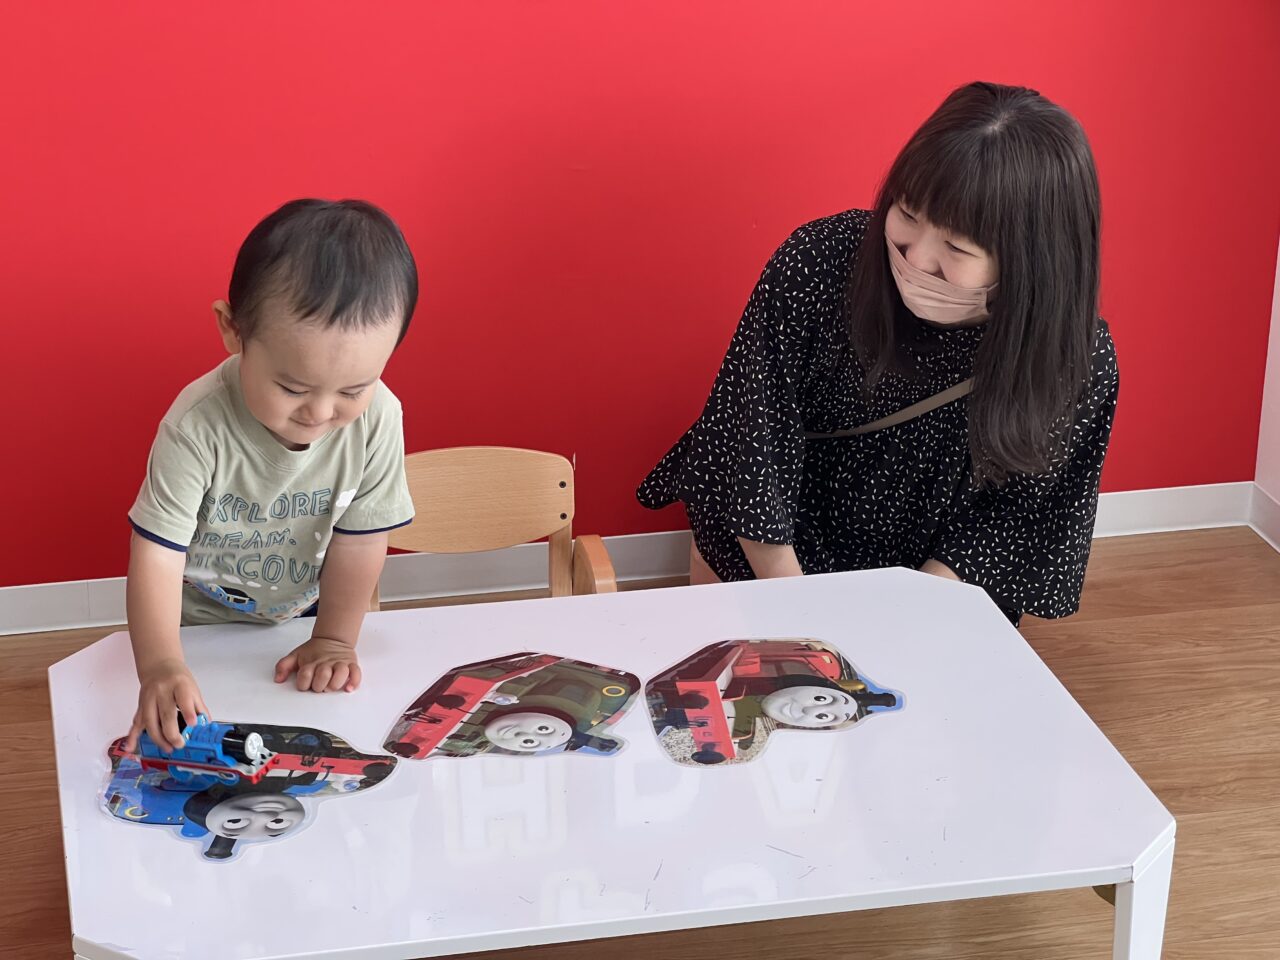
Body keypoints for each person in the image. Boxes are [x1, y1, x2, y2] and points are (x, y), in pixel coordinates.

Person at [638, 82, 1117, 625]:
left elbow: (1016, 517)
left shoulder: (1075, 359)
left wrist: (902, 614)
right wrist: (799, 610)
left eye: (957, 247)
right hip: (781, 548)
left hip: (940, 582)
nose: (917, 258)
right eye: (907, 213)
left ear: (1033, 261)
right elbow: (751, 444)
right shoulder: (819, 263)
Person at [123, 199, 418, 753]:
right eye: (292, 388)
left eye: (353, 389)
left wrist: (334, 638)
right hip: (197, 627)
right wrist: (161, 664)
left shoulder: (379, 417)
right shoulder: (196, 425)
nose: (320, 413)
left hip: (304, 619)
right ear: (232, 331)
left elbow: (361, 540)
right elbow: (158, 552)